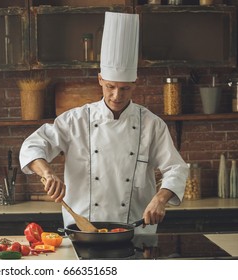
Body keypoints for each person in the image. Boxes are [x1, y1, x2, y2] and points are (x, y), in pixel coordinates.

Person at [19, 12, 188, 233]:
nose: (117, 95)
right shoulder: (75, 120)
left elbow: (176, 168)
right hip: (83, 231)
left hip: (136, 231)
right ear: (100, 79)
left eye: (125, 88)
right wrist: (47, 173)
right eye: (110, 86)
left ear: (135, 83)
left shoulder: (151, 124)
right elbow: (32, 146)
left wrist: (161, 198)